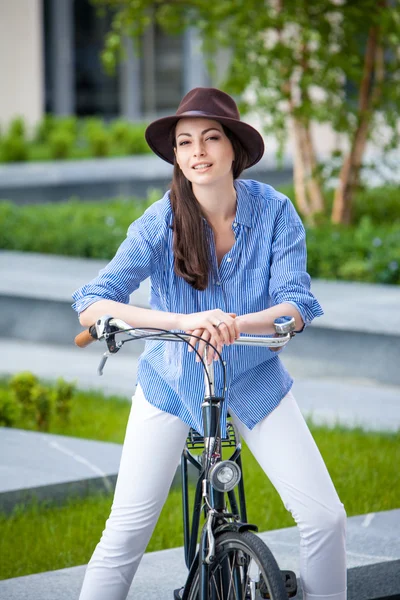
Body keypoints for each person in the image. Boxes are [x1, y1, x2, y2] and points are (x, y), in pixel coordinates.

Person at [72, 87, 347, 600]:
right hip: (173, 382)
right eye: (184, 142)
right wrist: (183, 322)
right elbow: (93, 300)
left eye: (211, 138)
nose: (197, 151)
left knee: (326, 519)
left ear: (234, 149)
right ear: (175, 155)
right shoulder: (163, 220)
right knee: (127, 532)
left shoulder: (275, 212)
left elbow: (296, 303)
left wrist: (236, 324)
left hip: (252, 378)